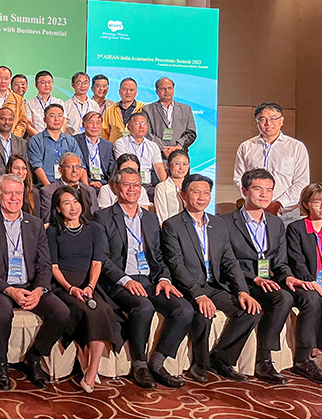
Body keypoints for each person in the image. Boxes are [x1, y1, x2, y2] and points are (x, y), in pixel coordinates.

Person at [96, 168, 194, 389]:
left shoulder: (150, 218)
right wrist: (125, 280)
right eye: (127, 184)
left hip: (149, 280)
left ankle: (158, 362)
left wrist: (164, 279)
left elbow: (158, 256)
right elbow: (102, 258)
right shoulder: (103, 217)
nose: (132, 189)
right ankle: (139, 364)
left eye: (137, 185)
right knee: (144, 307)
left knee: (184, 309)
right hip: (119, 282)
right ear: (116, 187)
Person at [160, 174, 262, 383]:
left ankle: (222, 359)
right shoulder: (172, 225)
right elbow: (176, 265)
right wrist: (198, 295)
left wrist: (242, 291)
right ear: (183, 195)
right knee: (203, 313)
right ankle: (200, 364)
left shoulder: (218, 223)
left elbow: (230, 261)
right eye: (196, 192)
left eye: (206, 193)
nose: (202, 197)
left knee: (250, 311)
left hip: (213, 285)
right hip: (186, 287)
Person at [222, 168, 311, 384]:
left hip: (266, 281)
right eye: (258, 189)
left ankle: (299, 359)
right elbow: (224, 262)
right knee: (281, 298)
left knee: (303, 296)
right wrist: (253, 278)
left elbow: (280, 263)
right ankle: (262, 360)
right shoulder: (225, 222)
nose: (264, 194)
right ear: (244, 190)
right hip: (239, 281)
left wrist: (288, 277)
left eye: (269, 190)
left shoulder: (276, 223)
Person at [0, 173, 70, 390]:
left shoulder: (35, 224)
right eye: (8, 193)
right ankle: (0, 364)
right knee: (2, 314)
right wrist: (9, 290)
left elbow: (44, 264)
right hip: (1, 286)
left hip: (30, 285)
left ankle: (35, 357)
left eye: (18, 193)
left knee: (61, 312)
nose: (14, 198)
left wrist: (39, 290)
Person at [47, 186, 123, 393]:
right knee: (84, 311)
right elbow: (54, 267)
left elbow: (97, 263)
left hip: (88, 284)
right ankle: (84, 358)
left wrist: (90, 286)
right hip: (63, 286)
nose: (73, 207)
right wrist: (71, 289)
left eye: (76, 202)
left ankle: (92, 370)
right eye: (66, 203)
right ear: (58, 208)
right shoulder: (53, 231)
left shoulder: (94, 229)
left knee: (102, 310)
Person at [233, 101, 309, 223]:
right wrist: (254, 200)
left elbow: (302, 181)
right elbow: (239, 179)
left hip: (287, 213)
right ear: (256, 122)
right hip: (253, 210)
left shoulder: (296, 147)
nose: (268, 123)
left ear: (282, 120)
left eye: (273, 118)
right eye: (262, 119)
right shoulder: (246, 147)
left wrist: (278, 203)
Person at [285, 184, 322, 383]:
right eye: (317, 202)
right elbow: (297, 263)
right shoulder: (296, 228)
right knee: (313, 299)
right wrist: (315, 284)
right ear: (307, 204)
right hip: (304, 281)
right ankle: (303, 358)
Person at [27, 103, 85, 187]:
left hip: (69, 185)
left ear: (64, 119)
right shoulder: (36, 140)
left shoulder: (71, 141)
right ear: (44, 120)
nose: (57, 119)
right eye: (52, 116)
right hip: (45, 186)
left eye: (60, 115)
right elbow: (37, 166)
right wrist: (49, 188)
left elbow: (80, 165)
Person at [113, 112, 166, 198]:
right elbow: (124, 166)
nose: (141, 127)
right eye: (137, 123)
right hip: (129, 184)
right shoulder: (121, 143)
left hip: (147, 185)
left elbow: (159, 168)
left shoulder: (153, 146)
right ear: (129, 128)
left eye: (144, 123)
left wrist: (166, 185)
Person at [142, 77, 196, 158]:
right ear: (157, 91)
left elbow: (191, 133)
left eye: (170, 88)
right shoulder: (147, 109)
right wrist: (164, 148)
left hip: (180, 156)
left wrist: (178, 146)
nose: (167, 91)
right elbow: (147, 133)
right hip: (157, 156)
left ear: (173, 89)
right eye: (163, 89)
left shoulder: (186, 109)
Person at [39, 153, 99, 221]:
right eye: (70, 166)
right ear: (60, 170)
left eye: (77, 166)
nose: (74, 170)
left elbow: (95, 217)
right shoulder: (48, 192)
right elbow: (47, 222)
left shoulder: (90, 190)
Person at [74, 112, 114, 189]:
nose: (95, 126)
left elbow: (112, 168)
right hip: (84, 181)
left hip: (104, 183)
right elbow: (78, 166)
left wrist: (109, 184)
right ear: (83, 125)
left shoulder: (107, 145)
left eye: (98, 123)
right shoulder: (75, 141)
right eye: (91, 122)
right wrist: (89, 182)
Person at [102, 77, 143, 144]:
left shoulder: (142, 109)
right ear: (119, 91)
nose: (128, 92)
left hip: (136, 147)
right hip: (114, 148)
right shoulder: (110, 110)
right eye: (125, 89)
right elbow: (104, 134)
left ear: (136, 92)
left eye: (132, 90)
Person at [24, 70, 65, 138]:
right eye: (43, 82)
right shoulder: (28, 104)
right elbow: (28, 125)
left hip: (57, 139)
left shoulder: (59, 102)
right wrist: (41, 139)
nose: (47, 85)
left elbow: (64, 122)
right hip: (37, 140)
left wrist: (58, 138)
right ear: (36, 85)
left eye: (49, 82)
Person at [153, 150, 190, 224]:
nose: (181, 168)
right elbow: (162, 219)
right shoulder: (162, 188)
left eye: (185, 164)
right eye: (177, 164)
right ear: (168, 165)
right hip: (171, 228)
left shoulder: (191, 186)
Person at [63, 72, 100, 136]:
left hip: (89, 139)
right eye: (79, 83)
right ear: (73, 85)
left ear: (89, 85)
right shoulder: (66, 105)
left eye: (86, 83)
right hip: (72, 139)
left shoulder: (94, 105)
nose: (83, 86)